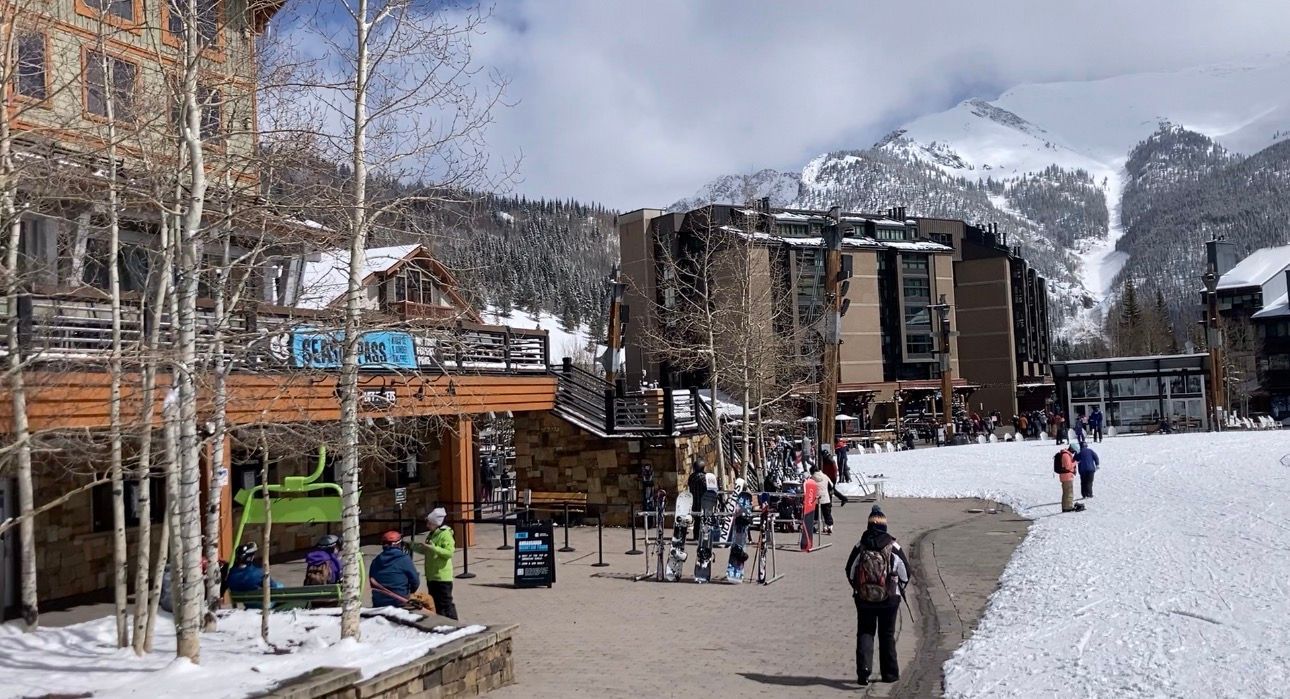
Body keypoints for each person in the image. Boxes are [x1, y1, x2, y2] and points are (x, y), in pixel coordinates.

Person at [845, 505, 910, 686]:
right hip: (889, 598)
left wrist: (859, 587)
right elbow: (906, 573)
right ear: (884, 526)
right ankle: (889, 674)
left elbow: (849, 570)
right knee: (887, 634)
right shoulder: (893, 545)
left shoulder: (861, 544)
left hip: (864, 598)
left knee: (865, 632)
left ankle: (863, 672)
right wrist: (897, 588)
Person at [423, 508, 459, 619]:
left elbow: (449, 553)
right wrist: (413, 546)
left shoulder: (445, 535)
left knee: (446, 603)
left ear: (435, 523)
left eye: (429, 523)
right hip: (431, 576)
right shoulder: (432, 534)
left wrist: (433, 548)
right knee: (436, 603)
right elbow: (427, 550)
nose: (427, 525)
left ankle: (454, 623)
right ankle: (441, 623)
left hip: (442, 577)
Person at [369, 531, 419, 608]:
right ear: (398, 544)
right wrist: (410, 592)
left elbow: (372, 581)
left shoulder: (376, 561)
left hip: (379, 602)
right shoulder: (404, 559)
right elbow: (415, 581)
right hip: (399, 601)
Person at [226, 543, 283, 608]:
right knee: (280, 586)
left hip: (248, 604)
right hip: (262, 604)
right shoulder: (257, 573)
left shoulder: (231, 573)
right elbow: (273, 586)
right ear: (250, 558)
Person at [687, 460, 708, 542]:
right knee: (704, 519)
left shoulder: (691, 477)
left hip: (694, 501)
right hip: (702, 501)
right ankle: (703, 535)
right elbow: (706, 488)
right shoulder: (703, 477)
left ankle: (696, 536)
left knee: (697, 520)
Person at [812, 467, 835, 535]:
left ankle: (816, 527)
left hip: (815, 498)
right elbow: (831, 485)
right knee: (827, 514)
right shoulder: (825, 476)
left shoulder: (812, 478)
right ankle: (829, 527)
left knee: (816, 514)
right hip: (825, 498)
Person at [801, 469, 819, 551]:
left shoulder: (807, 484)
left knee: (809, 519)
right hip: (815, 501)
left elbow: (805, 493)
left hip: (809, 503)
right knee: (814, 518)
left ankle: (807, 541)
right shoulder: (813, 482)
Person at [1055, 445, 1077, 512]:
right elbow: (1068, 467)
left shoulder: (1065, 454)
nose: (1074, 453)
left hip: (1065, 476)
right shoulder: (1066, 455)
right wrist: (1075, 462)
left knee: (1066, 492)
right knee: (1068, 492)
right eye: (1074, 451)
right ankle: (1068, 507)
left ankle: (1065, 507)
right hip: (1067, 476)